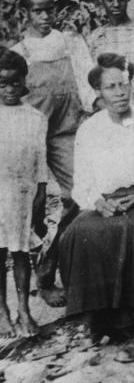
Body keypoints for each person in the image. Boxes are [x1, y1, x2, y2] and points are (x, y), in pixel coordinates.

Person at [59, 53, 134, 361]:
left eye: (123, 84)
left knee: (132, 229)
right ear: (99, 93)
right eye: (110, 87)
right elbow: (82, 183)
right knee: (78, 231)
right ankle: (98, 319)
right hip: (106, 201)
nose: (119, 92)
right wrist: (97, 203)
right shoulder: (89, 130)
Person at [11, 0, 95, 307]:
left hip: (64, 131)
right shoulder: (21, 52)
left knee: (80, 195)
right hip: (31, 138)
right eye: (37, 11)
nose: (45, 16)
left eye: (49, 9)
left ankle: (65, 266)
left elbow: (87, 81)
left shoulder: (69, 43)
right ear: (26, 13)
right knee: (34, 207)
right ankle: (42, 281)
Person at [0, 47, 47, 338]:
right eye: (1, 84)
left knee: (21, 252)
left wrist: (41, 191)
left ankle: (24, 310)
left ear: (24, 81)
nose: (9, 89)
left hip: (21, 192)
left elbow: (41, 158)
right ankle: (2, 311)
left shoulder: (35, 117)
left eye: (15, 83)